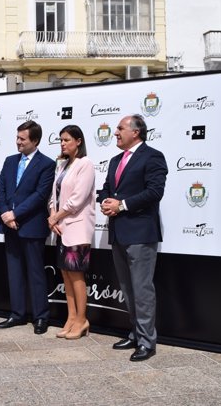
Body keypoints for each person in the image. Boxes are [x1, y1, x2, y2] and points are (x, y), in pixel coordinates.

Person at [99, 114, 168, 362]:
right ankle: (136, 334)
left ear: (135, 132)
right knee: (128, 289)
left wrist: (122, 205)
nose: (115, 132)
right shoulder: (116, 160)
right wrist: (106, 201)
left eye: (120, 128)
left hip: (140, 233)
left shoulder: (153, 156)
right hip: (119, 232)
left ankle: (147, 342)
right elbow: (108, 188)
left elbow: (154, 192)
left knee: (142, 289)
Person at [0, 121, 55, 335]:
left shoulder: (46, 164)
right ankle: (17, 314)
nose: (18, 142)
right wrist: (4, 214)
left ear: (35, 141)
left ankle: (41, 317)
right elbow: (0, 188)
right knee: (15, 272)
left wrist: (16, 213)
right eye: (17, 137)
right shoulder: (10, 161)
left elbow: (40, 195)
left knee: (36, 273)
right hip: (10, 225)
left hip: (31, 226)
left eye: (23, 139)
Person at [48, 125, 96, 340]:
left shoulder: (85, 165)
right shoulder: (62, 165)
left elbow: (77, 199)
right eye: (61, 140)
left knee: (76, 275)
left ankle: (82, 319)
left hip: (77, 226)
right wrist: (52, 216)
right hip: (61, 228)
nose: (63, 143)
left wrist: (56, 216)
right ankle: (71, 317)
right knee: (65, 274)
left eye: (67, 139)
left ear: (78, 141)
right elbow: (53, 196)